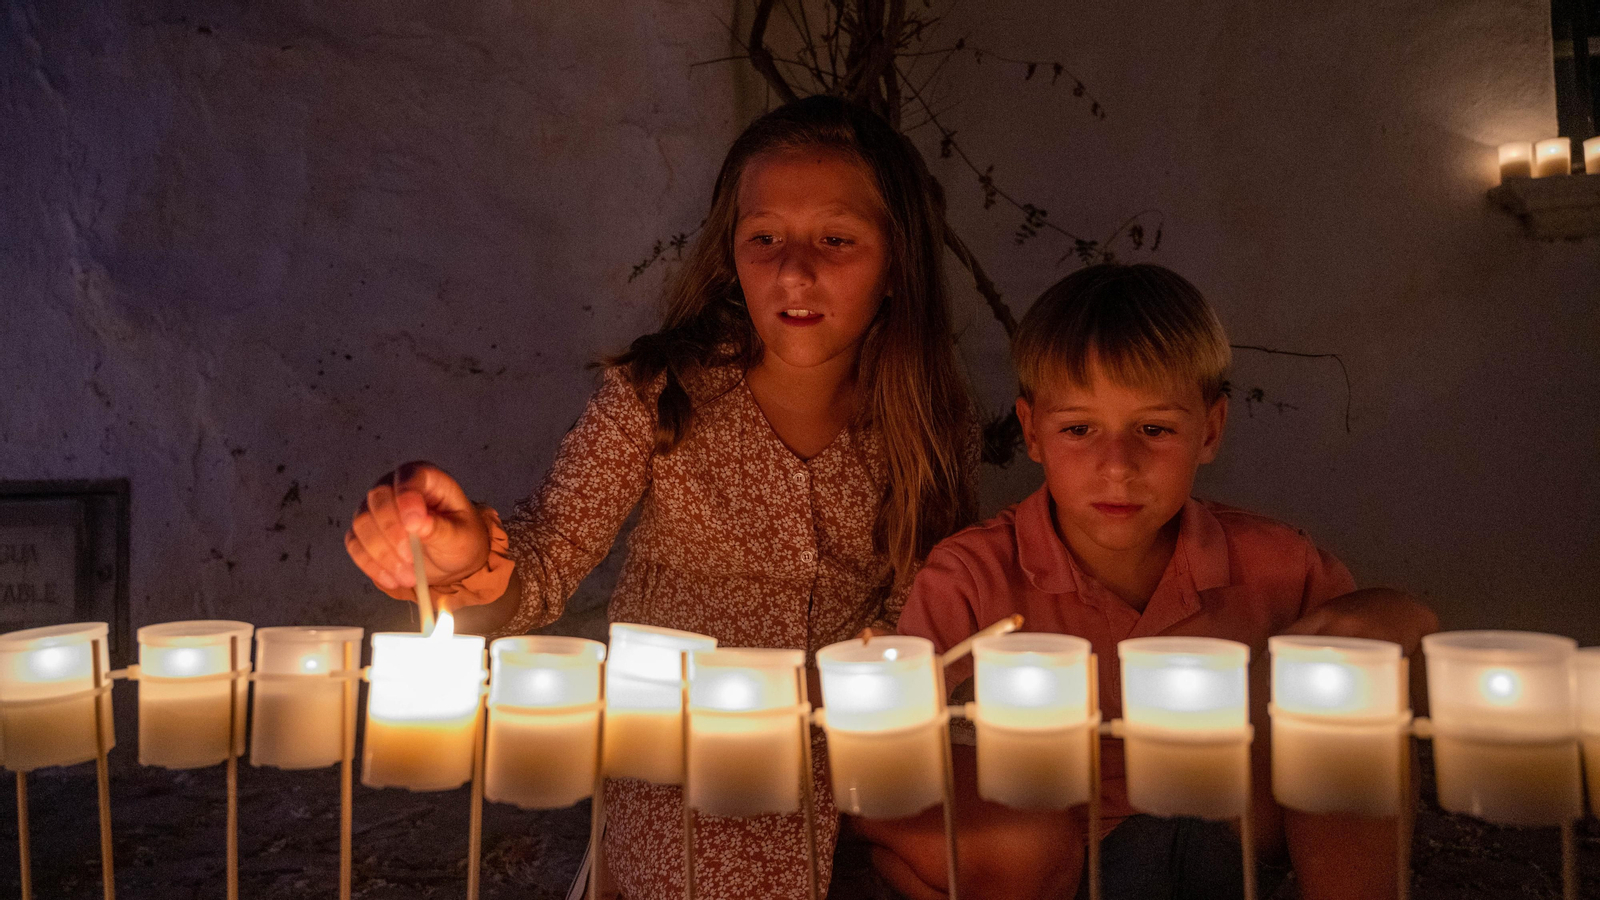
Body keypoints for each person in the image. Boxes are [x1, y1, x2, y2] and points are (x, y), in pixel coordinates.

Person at [342, 95, 980, 899]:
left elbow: (923, 609)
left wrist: (882, 682)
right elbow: (546, 558)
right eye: (764, 238)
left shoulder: (925, 423)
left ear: (897, 266)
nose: (793, 270)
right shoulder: (658, 394)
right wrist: (466, 560)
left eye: (836, 239)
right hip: (685, 756)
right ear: (730, 255)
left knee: (1007, 846)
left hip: (854, 745)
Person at [872, 263, 1438, 900]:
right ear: (1032, 432)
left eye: (1155, 430)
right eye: (1079, 429)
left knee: (1352, 705)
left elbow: (1383, 648)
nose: (1117, 466)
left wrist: (1394, 612)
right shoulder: (971, 578)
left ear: (1210, 431)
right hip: (1057, 863)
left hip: (1230, 834)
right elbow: (907, 770)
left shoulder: (1276, 564)